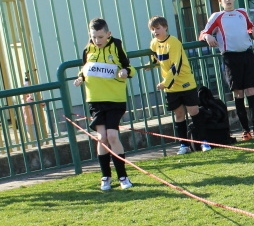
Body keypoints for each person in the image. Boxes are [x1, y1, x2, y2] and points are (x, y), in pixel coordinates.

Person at [72, 18, 135, 191]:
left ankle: (123, 177)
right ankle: (105, 177)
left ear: (108, 34)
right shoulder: (87, 49)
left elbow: (129, 68)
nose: (97, 41)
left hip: (115, 99)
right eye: (94, 37)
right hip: (95, 100)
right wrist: (80, 78)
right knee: (102, 138)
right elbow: (85, 69)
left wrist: (125, 72)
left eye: (101, 37)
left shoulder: (116, 46)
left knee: (113, 136)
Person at [200, 0, 254, 141]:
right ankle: (245, 131)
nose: (228, 0)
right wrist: (207, 36)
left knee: (251, 91)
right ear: (220, 1)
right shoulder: (217, 16)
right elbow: (203, 32)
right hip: (231, 58)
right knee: (239, 93)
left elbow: (250, 26)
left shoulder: (242, 12)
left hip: (247, 55)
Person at [148, 16, 209, 155]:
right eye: (153, 29)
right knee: (179, 114)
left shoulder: (174, 42)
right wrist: (150, 65)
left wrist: (165, 83)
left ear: (165, 27)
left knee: (194, 111)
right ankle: (184, 145)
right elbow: (155, 58)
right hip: (171, 87)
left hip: (185, 83)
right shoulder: (153, 43)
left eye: (158, 28)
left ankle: (204, 142)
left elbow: (177, 65)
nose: (155, 31)